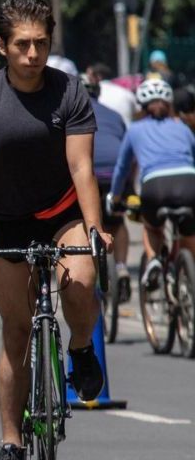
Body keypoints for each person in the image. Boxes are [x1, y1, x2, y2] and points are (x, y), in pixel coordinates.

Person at [0, 0, 110, 460]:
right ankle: (10, 443)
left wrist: (93, 227)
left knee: (81, 282)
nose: (32, 54)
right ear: (2, 46)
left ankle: (81, 348)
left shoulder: (69, 92)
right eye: (22, 45)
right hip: (7, 219)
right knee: (16, 332)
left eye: (41, 44)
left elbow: (82, 167)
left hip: (61, 213)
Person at [110, 79, 195, 274]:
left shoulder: (135, 130)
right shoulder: (182, 128)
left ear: (142, 105)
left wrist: (115, 197)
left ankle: (153, 260)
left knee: (152, 227)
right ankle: (188, 276)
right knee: (189, 234)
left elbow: (122, 168)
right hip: (189, 182)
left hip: (155, 186)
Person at [85, 72, 131, 299]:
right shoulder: (114, 115)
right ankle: (121, 267)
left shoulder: (68, 114)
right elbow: (125, 149)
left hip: (89, 173)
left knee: (85, 222)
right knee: (117, 221)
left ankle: (91, 270)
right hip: (115, 173)